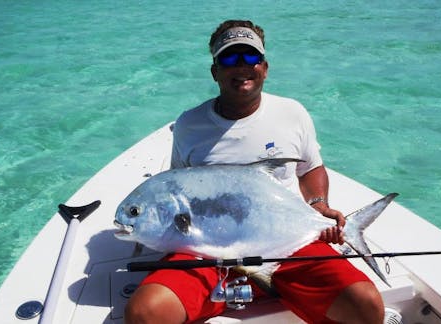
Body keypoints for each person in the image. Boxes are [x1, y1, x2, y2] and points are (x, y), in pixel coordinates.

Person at [124, 20, 384, 324]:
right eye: (229, 58)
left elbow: (311, 168)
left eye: (250, 57)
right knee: (145, 313)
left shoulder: (292, 113)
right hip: (206, 251)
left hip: (287, 243)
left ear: (265, 67)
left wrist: (318, 207)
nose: (241, 66)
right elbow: (178, 191)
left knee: (365, 305)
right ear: (215, 71)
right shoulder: (189, 124)